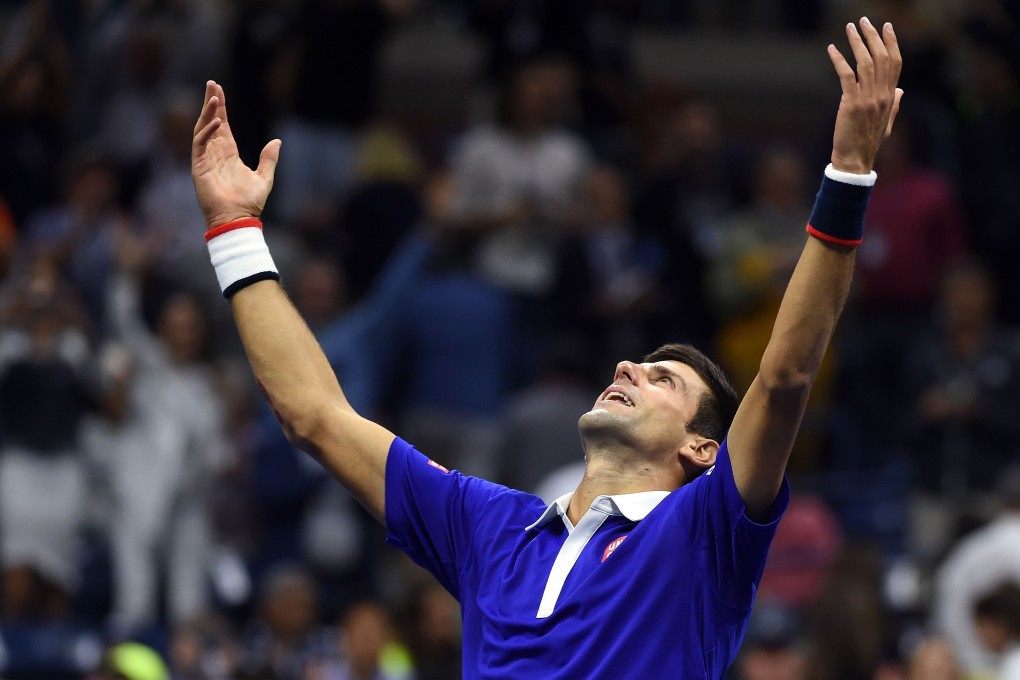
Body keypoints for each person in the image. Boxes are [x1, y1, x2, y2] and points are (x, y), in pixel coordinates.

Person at [190, 17, 902, 679]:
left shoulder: (707, 532)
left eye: (662, 380)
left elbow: (783, 378)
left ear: (702, 450)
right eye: (639, 363)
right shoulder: (487, 526)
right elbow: (313, 415)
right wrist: (234, 231)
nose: (627, 367)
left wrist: (848, 172)